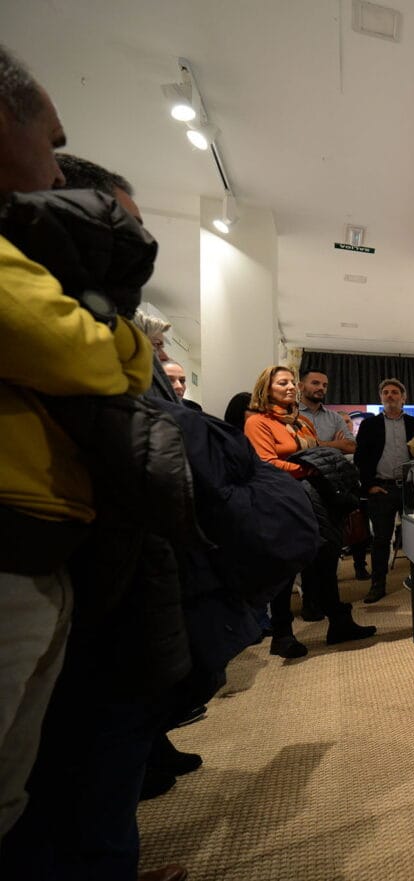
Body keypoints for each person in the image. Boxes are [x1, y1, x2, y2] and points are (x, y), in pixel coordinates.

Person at [0, 42, 156, 846]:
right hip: (15, 546)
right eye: (51, 142)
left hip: (46, 543)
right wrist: (127, 351)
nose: (57, 172)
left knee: (19, 782)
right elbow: (77, 349)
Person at [245, 365, 375, 652]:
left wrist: (317, 469)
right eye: (282, 383)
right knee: (288, 568)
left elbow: (319, 451)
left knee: (327, 562)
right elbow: (265, 463)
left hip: (317, 499)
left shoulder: (302, 422)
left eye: (291, 382)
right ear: (266, 388)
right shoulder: (258, 422)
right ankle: (282, 635)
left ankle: (339, 623)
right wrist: (309, 470)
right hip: (284, 502)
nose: (290, 387)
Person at [355, 378, 414, 604]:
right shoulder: (369, 425)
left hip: (410, 488)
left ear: (404, 398)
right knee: (381, 540)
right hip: (381, 489)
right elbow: (360, 459)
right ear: (381, 398)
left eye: (395, 392)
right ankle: (378, 585)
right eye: (386, 392)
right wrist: (369, 486)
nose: (390, 396)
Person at [298, 368, 368, 580]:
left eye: (324, 385)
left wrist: (317, 443)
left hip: (330, 487)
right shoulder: (292, 415)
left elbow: (350, 446)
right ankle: (310, 601)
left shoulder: (334, 418)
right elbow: (294, 450)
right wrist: (333, 446)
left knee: (331, 542)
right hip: (299, 485)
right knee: (306, 543)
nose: (321, 388)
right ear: (301, 386)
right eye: (316, 383)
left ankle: (329, 595)